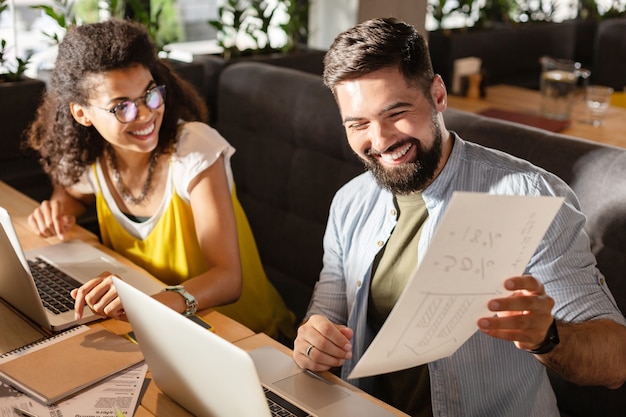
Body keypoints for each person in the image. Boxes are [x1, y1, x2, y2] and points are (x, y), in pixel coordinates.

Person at [292, 17, 626, 416]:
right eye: (359, 124)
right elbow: (325, 316)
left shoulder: (527, 196)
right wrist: (312, 343)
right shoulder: (350, 202)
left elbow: (616, 363)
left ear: (437, 95)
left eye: (396, 112)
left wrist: (547, 337)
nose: (380, 140)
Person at [25, 19, 295, 341]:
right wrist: (58, 208)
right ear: (82, 114)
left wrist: (142, 305)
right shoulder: (95, 156)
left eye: (150, 94)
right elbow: (72, 192)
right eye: (121, 106)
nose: (145, 115)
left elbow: (228, 279)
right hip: (161, 328)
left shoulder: (193, 148)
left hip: (241, 333)